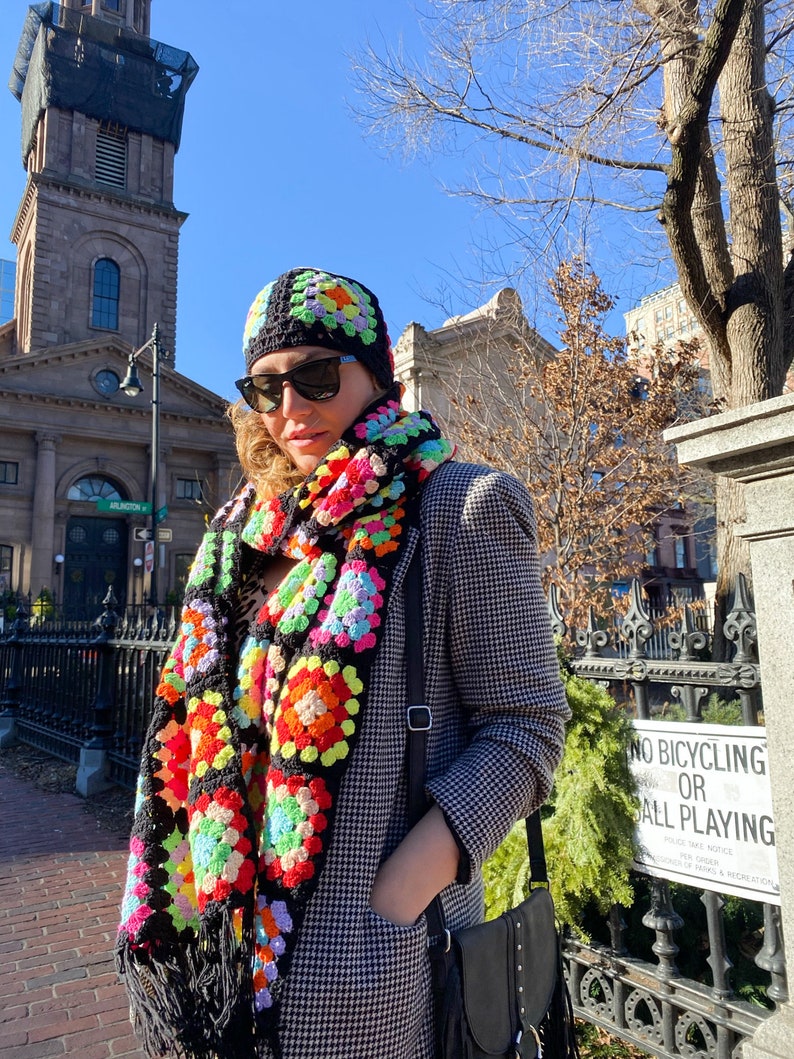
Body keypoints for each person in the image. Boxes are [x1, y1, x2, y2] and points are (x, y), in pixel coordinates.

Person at [116, 267, 570, 1059]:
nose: (291, 408)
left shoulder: (460, 507)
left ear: (376, 376)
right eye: (266, 387)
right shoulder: (238, 538)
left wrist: (393, 897)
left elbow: (527, 732)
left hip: (372, 985)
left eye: (317, 375)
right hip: (219, 969)